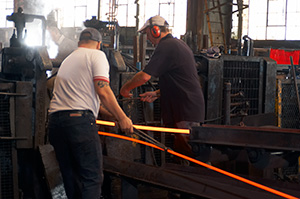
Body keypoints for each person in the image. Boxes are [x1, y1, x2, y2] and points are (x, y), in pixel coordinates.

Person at [48, 27, 133, 199]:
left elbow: (80, 99)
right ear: (99, 44)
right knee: (92, 178)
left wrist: (111, 115)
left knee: (72, 178)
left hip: (56, 124)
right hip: (80, 123)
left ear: (79, 42)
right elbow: (103, 90)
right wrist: (123, 117)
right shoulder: (97, 55)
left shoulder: (69, 59)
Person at [120, 15, 205, 159]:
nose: (147, 38)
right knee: (182, 152)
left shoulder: (167, 46)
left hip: (185, 110)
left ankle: (203, 178)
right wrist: (158, 93)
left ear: (156, 30)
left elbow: (145, 76)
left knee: (191, 153)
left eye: (147, 34)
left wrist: (125, 89)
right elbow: (180, 79)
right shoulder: (177, 44)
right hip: (186, 107)